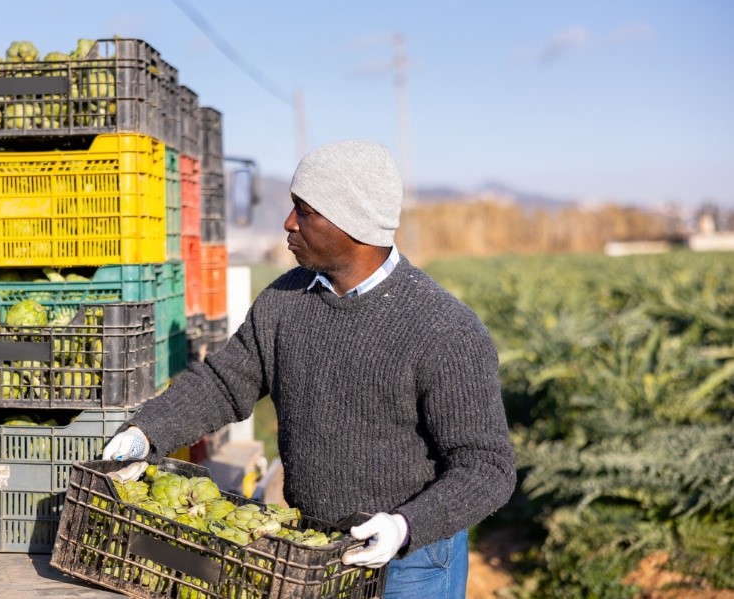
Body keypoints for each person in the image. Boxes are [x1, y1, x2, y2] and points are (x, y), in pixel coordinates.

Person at [103, 138, 517, 598]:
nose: (288, 223)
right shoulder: (286, 300)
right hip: (313, 550)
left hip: (411, 562)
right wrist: (147, 431)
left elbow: (486, 466)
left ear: (352, 222)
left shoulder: (443, 329)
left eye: (305, 210)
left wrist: (404, 526)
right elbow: (225, 382)